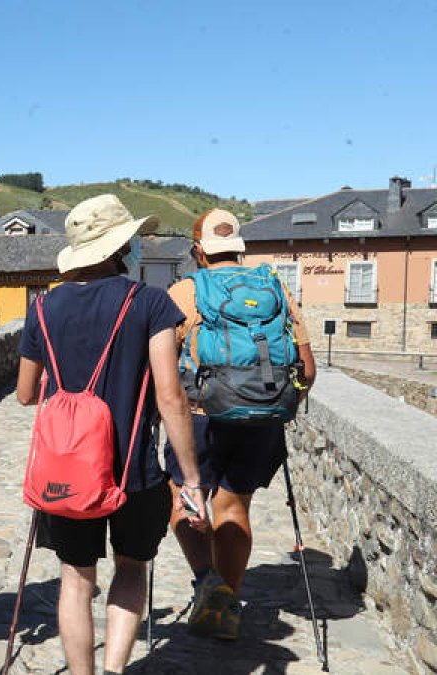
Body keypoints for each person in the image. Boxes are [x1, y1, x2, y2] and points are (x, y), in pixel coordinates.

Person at [16, 195, 208, 675]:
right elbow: (171, 397)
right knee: (130, 569)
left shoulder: (42, 307)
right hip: (133, 471)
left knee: (76, 578)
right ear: (120, 246)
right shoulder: (148, 303)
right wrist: (190, 479)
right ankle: (115, 670)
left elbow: (24, 393)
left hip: (67, 472)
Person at [164, 209, 316, 640]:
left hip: (198, 419)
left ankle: (207, 585)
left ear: (199, 250)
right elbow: (306, 368)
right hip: (262, 420)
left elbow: (158, 370)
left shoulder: (184, 292)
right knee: (235, 508)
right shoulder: (276, 288)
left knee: (185, 501)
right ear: (241, 248)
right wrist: (273, 404)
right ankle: (226, 608)